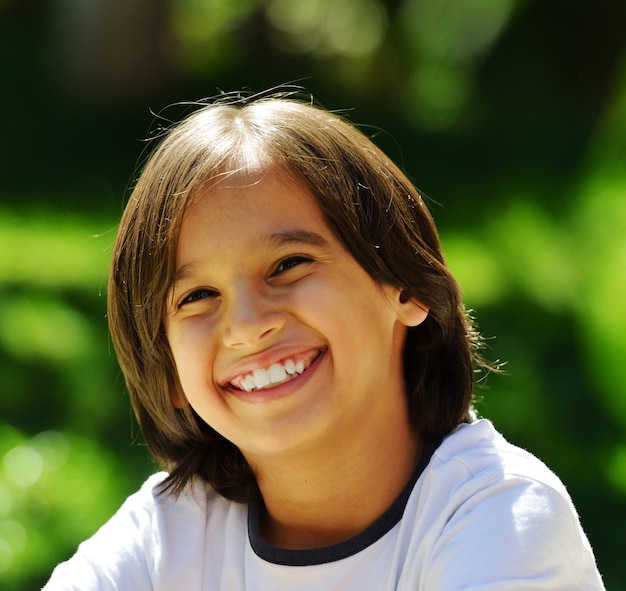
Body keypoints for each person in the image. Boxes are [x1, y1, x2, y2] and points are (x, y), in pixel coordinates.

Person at [43, 92, 605, 590]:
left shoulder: (498, 513)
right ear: (167, 372)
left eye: (289, 264)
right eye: (197, 297)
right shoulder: (166, 540)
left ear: (406, 285)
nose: (247, 325)